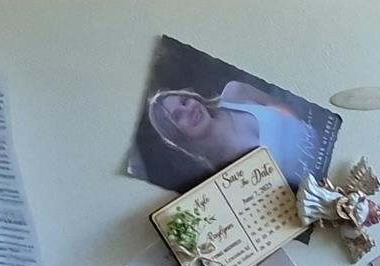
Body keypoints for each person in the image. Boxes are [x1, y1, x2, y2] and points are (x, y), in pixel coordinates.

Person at [132, 72, 330, 192]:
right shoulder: (225, 176)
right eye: (178, 116)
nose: (188, 109)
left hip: (331, 145)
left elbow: (290, 110)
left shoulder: (235, 93)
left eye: (185, 101)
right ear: (177, 136)